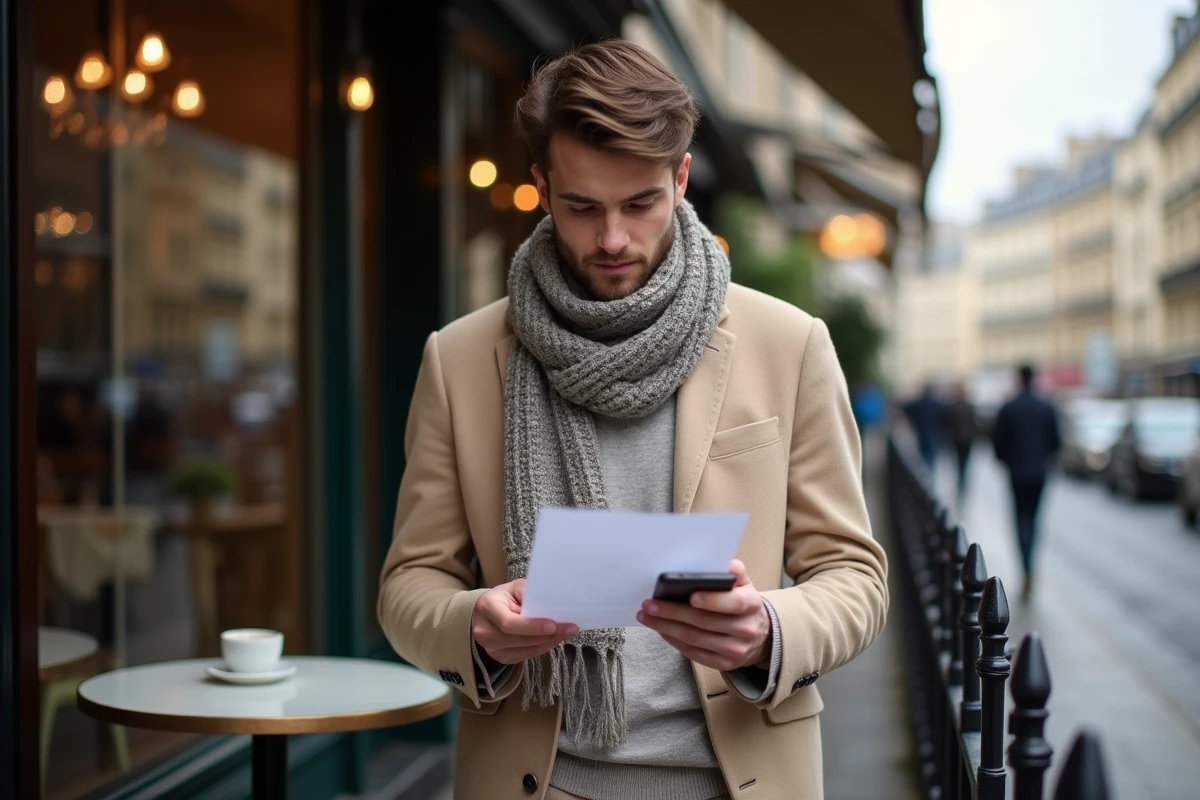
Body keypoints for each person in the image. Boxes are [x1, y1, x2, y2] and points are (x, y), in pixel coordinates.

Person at [377, 40, 887, 800]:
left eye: (640, 203)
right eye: (583, 207)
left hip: (737, 783)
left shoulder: (789, 344)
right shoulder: (460, 359)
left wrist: (769, 632)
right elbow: (407, 585)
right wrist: (474, 629)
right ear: (543, 189)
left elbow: (856, 575)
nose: (612, 239)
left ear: (681, 180)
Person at [991, 364, 1060, 599]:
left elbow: (998, 444)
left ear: (1019, 378)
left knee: (1021, 520)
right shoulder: (1046, 407)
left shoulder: (1009, 408)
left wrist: (1007, 460)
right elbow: (1056, 443)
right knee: (1034, 519)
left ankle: (1026, 568)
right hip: (1039, 472)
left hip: (1017, 472)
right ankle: (1030, 567)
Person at [943, 382, 978, 503]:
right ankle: (963, 484)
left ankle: (961, 484)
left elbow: (947, 424)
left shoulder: (952, 406)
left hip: (957, 439)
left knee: (959, 463)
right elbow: (974, 423)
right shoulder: (969, 406)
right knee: (965, 463)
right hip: (967, 440)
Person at [904, 382, 945, 474]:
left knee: (923, 457)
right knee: (932, 459)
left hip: (921, 433)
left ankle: (925, 476)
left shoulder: (918, 403)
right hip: (934, 434)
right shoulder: (937, 404)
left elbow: (908, 412)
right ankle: (930, 475)